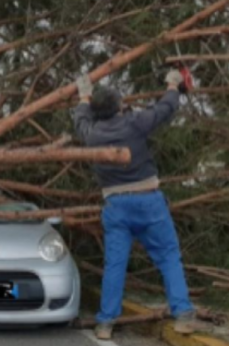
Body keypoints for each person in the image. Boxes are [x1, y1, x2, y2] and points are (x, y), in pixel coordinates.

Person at [73, 70, 209, 340]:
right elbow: (164, 109)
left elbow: (81, 118)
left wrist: (83, 95)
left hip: (115, 205)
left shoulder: (92, 134)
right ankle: (182, 315)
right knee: (169, 257)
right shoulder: (134, 123)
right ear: (119, 106)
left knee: (115, 265)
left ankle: (105, 324)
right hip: (148, 202)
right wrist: (172, 84)